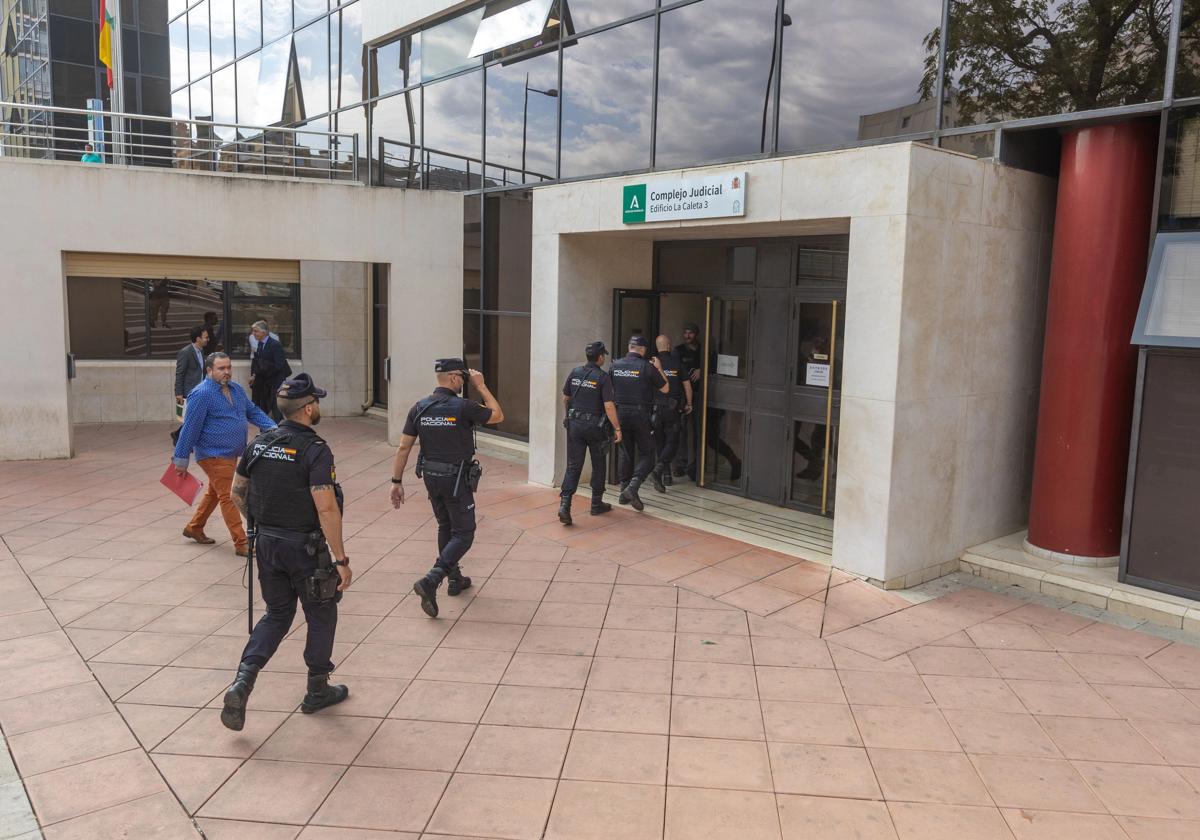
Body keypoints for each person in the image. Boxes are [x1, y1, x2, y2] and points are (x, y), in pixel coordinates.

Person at [220, 374, 352, 730]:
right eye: (317, 402)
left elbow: (237, 493)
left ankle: (243, 681)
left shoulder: (259, 443)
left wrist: (263, 524)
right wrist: (340, 559)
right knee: (322, 613)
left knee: (277, 614)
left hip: (267, 544)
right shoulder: (315, 450)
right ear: (308, 408)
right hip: (304, 549)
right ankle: (317, 690)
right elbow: (326, 508)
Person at [389, 359, 504, 619]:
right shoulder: (463, 407)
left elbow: (404, 447)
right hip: (456, 480)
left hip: (431, 477)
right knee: (464, 533)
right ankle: (432, 579)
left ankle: (454, 577)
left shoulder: (419, 407)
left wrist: (396, 482)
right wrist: (482, 386)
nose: (464, 382)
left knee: (445, 526)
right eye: (462, 378)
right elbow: (498, 415)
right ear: (453, 378)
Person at [172, 352, 275, 555]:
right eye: (221, 368)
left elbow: (252, 411)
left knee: (215, 493)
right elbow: (190, 428)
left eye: (228, 367)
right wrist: (181, 458)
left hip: (231, 453)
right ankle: (242, 543)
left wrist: (272, 428)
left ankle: (195, 527)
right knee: (229, 496)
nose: (226, 372)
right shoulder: (201, 394)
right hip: (212, 453)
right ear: (209, 370)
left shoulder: (236, 389)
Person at [558, 340, 623, 525]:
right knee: (599, 464)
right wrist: (617, 428)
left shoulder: (575, 372)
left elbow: (566, 398)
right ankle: (596, 503)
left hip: (575, 426)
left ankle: (565, 505)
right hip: (595, 427)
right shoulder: (603, 378)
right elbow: (609, 406)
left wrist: (570, 417)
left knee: (573, 466)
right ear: (600, 357)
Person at [610, 335, 669, 511]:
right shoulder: (647, 367)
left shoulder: (615, 365)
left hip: (619, 413)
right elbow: (666, 388)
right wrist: (659, 368)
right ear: (642, 350)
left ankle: (623, 492)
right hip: (640, 415)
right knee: (648, 454)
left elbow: (608, 390)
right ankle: (633, 487)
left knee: (625, 453)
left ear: (629, 347)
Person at [651, 334, 693, 489]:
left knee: (660, 443)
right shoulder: (677, 363)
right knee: (672, 443)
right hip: (672, 409)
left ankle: (666, 475)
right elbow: (687, 386)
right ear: (669, 346)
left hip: (655, 409)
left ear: (657, 347)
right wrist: (689, 404)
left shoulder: (652, 364)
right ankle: (660, 471)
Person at [674, 322, 704, 480]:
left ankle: (697, 465)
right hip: (683, 395)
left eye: (690, 333)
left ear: (696, 334)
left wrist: (702, 370)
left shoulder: (703, 351)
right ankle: (681, 464)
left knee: (698, 430)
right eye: (685, 332)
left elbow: (713, 366)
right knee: (682, 430)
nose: (687, 336)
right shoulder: (678, 351)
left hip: (700, 395)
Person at [249, 320, 291, 419]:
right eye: (253, 331)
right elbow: (257, 362)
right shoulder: (259, 344)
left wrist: (265, 367)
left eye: (256, 331)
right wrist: (254, 375)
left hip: (275, 382)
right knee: (263, 406)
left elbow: (279, 365)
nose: (253, 334)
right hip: (264, 382)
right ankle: (265, 430)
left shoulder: (275, 345)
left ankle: (278, 430)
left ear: (264, 332)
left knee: (275, 407)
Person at [174, 325, 209, 406]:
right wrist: (179, 393)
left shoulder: (201, 351)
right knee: (187, 417)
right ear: (198, 339)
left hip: (201, 392)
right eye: (206, 337)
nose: (208, 339)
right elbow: (180, 374)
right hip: (190, 394)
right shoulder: (185, 352)